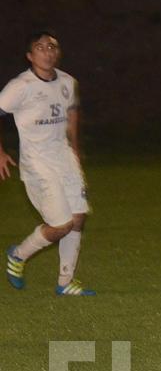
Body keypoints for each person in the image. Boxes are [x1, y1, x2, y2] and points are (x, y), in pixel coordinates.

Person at [0, 30, 95, 296]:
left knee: (78, 218)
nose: (47, 51)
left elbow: (72, 113)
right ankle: (18, 255)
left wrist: (75, 150)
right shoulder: (21, 86)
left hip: (63, 157)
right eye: (40, 47)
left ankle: (65, 283)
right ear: (30, 56)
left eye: (52, 46)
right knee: (61, 225)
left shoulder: (68, 81)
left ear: (58, 52)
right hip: (37, 162)